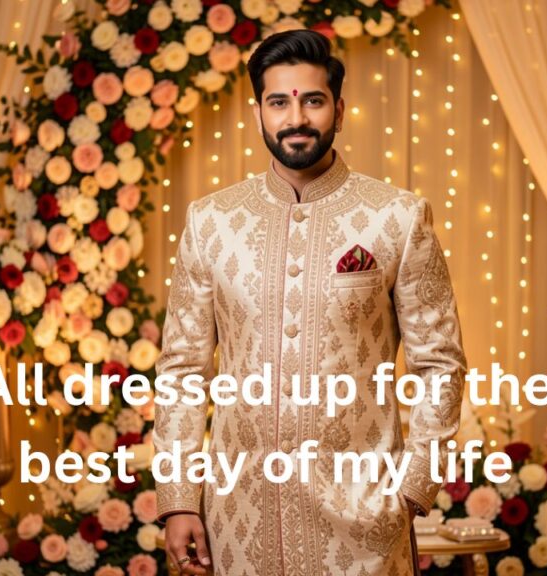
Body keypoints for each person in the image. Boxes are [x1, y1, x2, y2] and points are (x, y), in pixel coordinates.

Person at [154, 29, 467, 576]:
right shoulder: (211, 223)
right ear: (258, 113)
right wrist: (179, 499)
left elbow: (440, 363)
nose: (295, 118)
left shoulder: (396, 217)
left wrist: (413, 488)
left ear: (338, 111)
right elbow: (182, 371)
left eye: (313, 101)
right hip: (240, 519)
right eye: (279, 102)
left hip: (365, 522)